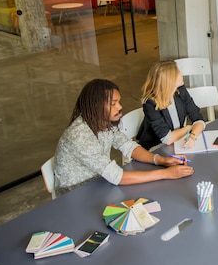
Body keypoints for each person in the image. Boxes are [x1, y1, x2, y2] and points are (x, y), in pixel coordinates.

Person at [53, 79, 193, 196]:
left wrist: (160, 160)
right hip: (75, 196)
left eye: (119, 101)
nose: (120, 107)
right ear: (96, 106)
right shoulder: (80, 136)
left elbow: (128, 146)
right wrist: (165, 174)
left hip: (100, 184)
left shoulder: (102, 122)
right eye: (113, 103)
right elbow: (116, 176)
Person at [137, 60, 206, 150]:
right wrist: (189, 128)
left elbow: (199, 120)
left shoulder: (180, 91)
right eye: (178, 72)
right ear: (169, 79)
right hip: (155, 148)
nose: (182, 73)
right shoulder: (150, 104)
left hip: (177, 142)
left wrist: (192, 136)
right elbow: (167, 139)